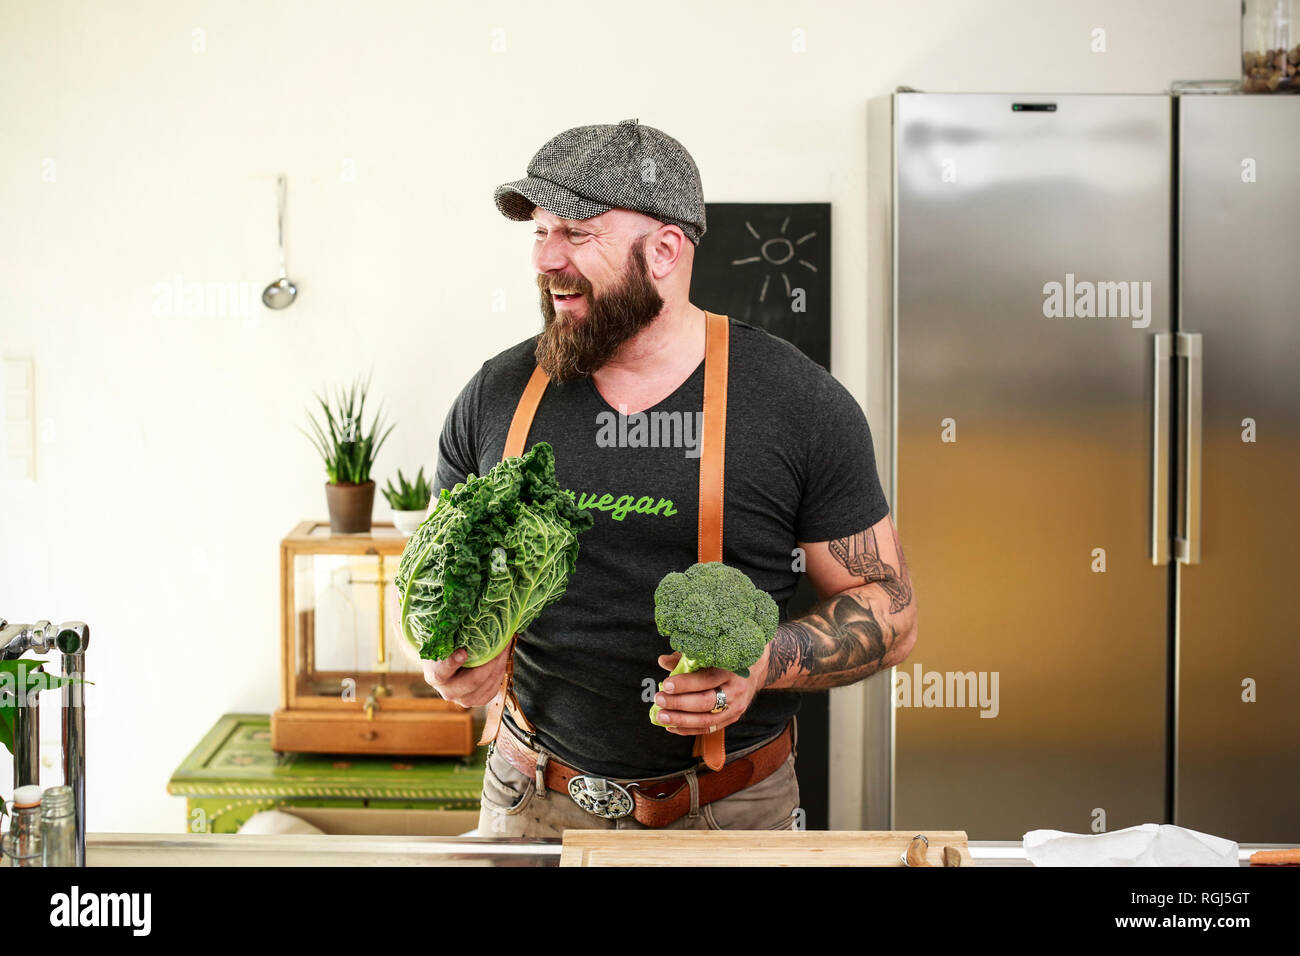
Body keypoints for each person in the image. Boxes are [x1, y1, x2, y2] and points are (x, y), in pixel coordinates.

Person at [424, 118, 917, 836]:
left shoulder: (798, 403)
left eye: (577, 234)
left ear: (664, 249)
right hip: (528, 800)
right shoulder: (496, 394)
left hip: (726, 811)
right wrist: (451, 656)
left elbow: (892, 609)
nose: (546, 259)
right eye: (540, 231)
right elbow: (441, 573)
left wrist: (765, 660)